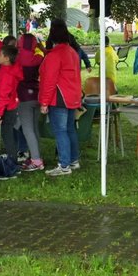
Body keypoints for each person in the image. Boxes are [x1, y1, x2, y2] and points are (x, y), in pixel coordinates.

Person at [39, 19, 83, 176]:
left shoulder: (54, 55)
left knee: (60, 131)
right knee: (70, 129)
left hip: (59, 98)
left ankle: (64, 165)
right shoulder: (72, 52)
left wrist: (44, 102)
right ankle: (73, 160)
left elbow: (49, 81)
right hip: (72, 96)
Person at [16, 33, 45, 172]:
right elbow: (46, 56)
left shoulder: (17, 58)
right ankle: (37, 156)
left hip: (23, 97)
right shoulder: (38, 57)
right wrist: (41, 47)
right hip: (37, 95)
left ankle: (36, 160)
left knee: (27, 129)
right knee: (34, 128)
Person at [0, 44, 22, 168]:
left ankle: (12, 163)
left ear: (7, 58)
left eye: (0, 54)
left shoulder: (7, 74)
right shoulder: (5, 70)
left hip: (7, 108)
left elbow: (4, 95)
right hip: (8, 107)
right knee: (7, 134)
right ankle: (12, 161)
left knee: (7, 135)